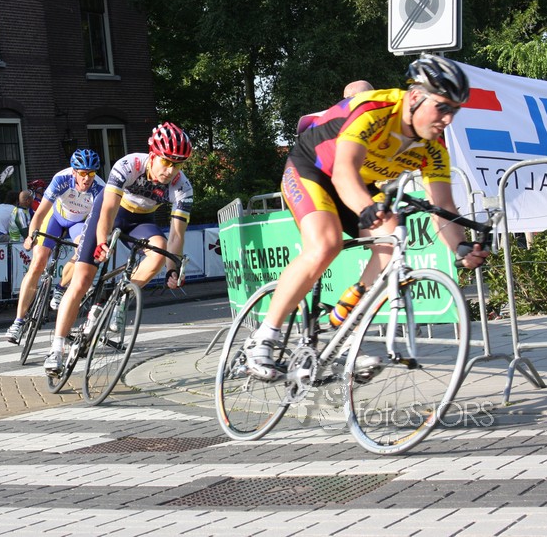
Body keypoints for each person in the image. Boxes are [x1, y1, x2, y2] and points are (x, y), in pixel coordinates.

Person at [243, 54, 490, 382]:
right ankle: (263, 338)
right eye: (442, 108)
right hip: (312, 169)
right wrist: (365, 209)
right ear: (416, 97)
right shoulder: (375, 110)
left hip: (358, 182)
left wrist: (460, 248)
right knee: (326, 244)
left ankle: (345, 320)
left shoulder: (433, 149)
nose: (447, 119)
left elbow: (442, 205)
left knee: (392, 239)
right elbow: (343, 171)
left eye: (454, 111)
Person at [44, 123, 194, 374]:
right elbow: (108, 208)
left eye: (178, 165)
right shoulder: (130, 164)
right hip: (112, 213)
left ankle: (120, 300)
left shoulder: (183, 187)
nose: (171, 171)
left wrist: (172, 269)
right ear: (153, 155)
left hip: (141, 221)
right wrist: (102, 241)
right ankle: (56, 349)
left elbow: (177, 234)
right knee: (82, 280)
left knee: (159, 250)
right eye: (166, 162)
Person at [4, 149, 105, 344]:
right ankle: (18, 322)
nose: (87, 178)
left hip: (79, 222)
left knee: (82, 252)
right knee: (38, 263)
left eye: (91, 173)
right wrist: (31, 236)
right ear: (74, 172)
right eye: (82, 173)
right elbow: (40, 213)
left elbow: (101, 221)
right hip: (56, 218)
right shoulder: (61, 179)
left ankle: (60, 288)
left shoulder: (100, 188)